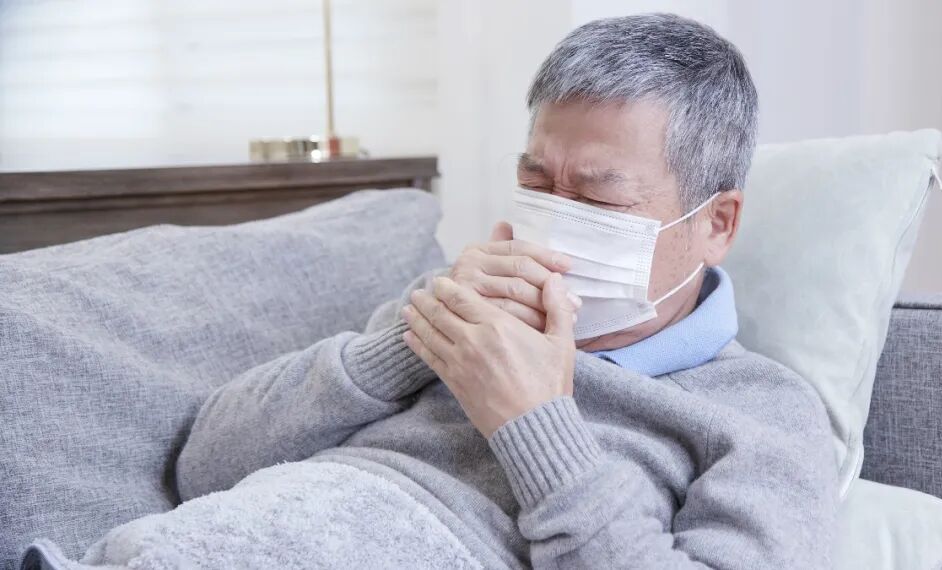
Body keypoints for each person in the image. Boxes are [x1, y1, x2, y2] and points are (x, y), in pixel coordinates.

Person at [177, 13, 837, 568]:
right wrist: (414, 342)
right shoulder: (451, 306)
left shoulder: (762, 414)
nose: (556, 217)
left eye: (600, 198)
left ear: (717, 224)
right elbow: (204, 467)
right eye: (536, 183)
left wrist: (534, 425)